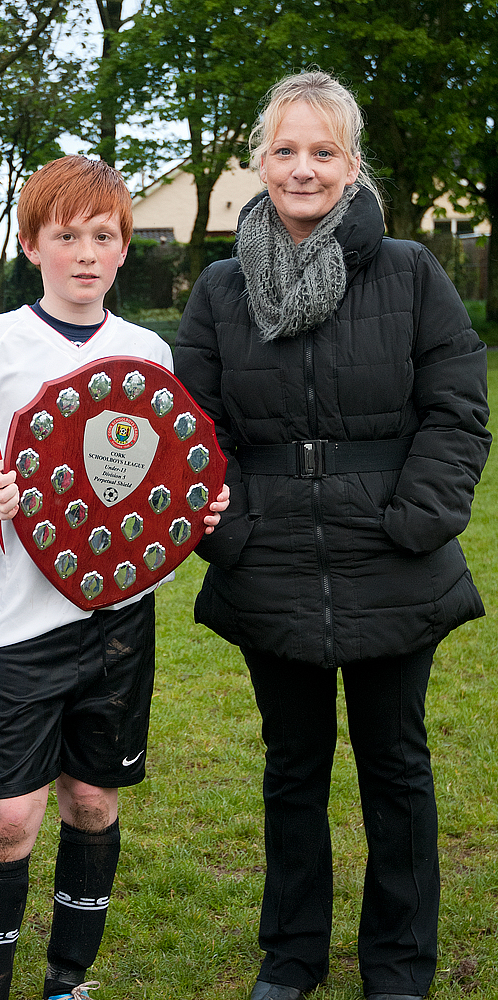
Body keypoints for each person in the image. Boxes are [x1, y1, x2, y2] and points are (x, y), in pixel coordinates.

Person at [174, 71, 491, 1000]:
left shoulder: (410, 272)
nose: (302, 168)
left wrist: (417, 520)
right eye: (285, 150)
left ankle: (398, 964)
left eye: (323, 151)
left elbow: (457, 412)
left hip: (394, 559)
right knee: (293, 766)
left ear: (352, 165)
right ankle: (293, 954)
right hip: (267, 558)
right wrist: (229, 534)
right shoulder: (223, 289)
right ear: (258, 164)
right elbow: (197, 428)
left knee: (397, 766)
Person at [0, 153, 229, 1000]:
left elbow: (164, 472)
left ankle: (68, 981)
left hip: (121, 621)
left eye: (104, 236)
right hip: (19, 621)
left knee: (92, 801)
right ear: (32, 245)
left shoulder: (148, 349)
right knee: (13, 818)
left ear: (125, 249)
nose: (86, 253)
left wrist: (194, 510)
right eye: (67, 236)